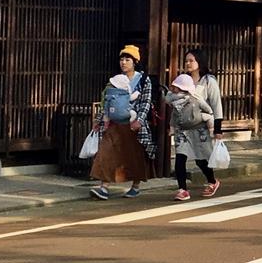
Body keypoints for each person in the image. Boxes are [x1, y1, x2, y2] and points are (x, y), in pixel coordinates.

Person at [89, 45, 157, 199]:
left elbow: (146, 101)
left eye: (127, 59)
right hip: (114, 123)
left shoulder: (143, 80)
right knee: (106, 152)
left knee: (135, 155)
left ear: (135, 62)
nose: (124, 62)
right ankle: (104, 187)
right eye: (122, 59)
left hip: (133, 124)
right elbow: (106, 101)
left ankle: (136, 185)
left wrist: (139, 120)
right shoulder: (116, 80)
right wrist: (99, 119)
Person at [167, 49, 224, 201]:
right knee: (180, 157)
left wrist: (217, 129)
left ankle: (212, 181)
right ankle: (182, 189)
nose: (188, 63)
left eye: (191, 60)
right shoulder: (182, 80)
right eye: (186, 60)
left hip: (200, 127)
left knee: (200, 159)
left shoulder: (208, 81)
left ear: (200, 62)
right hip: (183, 128)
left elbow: (216, 105)